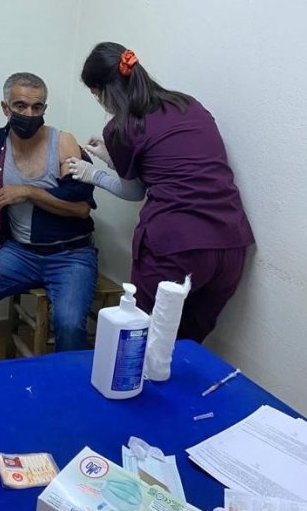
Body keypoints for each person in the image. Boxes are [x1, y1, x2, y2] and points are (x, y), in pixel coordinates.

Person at [67, 42, 254, 343]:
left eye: (95, 95)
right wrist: (112, 157)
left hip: (177, 248)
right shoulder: (187, 104)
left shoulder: (121, 127)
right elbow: (170, 165)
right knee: (186, 345)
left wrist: (94, 175)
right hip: (230, 244)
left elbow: (133, 192)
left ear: (102, 91)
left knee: (142, 340)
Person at [0, 72, 98, 364]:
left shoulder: (63, 142)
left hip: (71, 255)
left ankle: (66, 387)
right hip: (20, 253)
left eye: (37, 107)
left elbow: (81, 208)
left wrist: (29, 192)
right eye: (20, 106)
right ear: (5, 108)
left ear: (45, 108)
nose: (29, 114)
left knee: (69, 324)